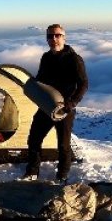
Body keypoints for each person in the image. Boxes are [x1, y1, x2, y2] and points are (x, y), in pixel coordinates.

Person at [23, 24, 89, 183]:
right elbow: (41, 79)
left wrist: (71, 103)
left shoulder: (74, 59)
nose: (53, 39)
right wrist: (33, 88)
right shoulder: (46, 57)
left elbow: (83, 84)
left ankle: (62, 175)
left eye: (57, 35)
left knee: (63, 145)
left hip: (64, 108)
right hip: (46, 106)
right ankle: (32, 171)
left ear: (64, 37)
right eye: (50, 36)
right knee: (33, 139)